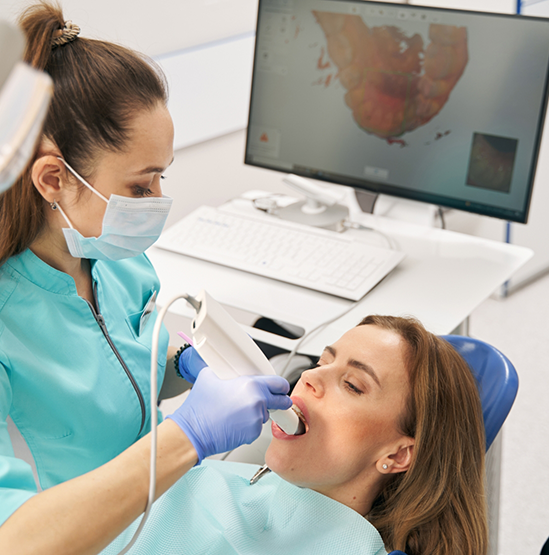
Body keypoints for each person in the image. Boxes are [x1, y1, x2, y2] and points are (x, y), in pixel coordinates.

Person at [0, 3, 292, 554]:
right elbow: (15, 541)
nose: (158, 202)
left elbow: (116, 362)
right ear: (53, 179)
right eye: (140, 186)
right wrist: (191, 435)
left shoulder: (116, 259)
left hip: (163, 515)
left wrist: (178, 360)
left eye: (163, 175)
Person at [147, 314, 486, 555]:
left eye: (352, 385)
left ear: (397, 455)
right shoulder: (222, 481)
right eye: (323, 361)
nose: (309, 377)